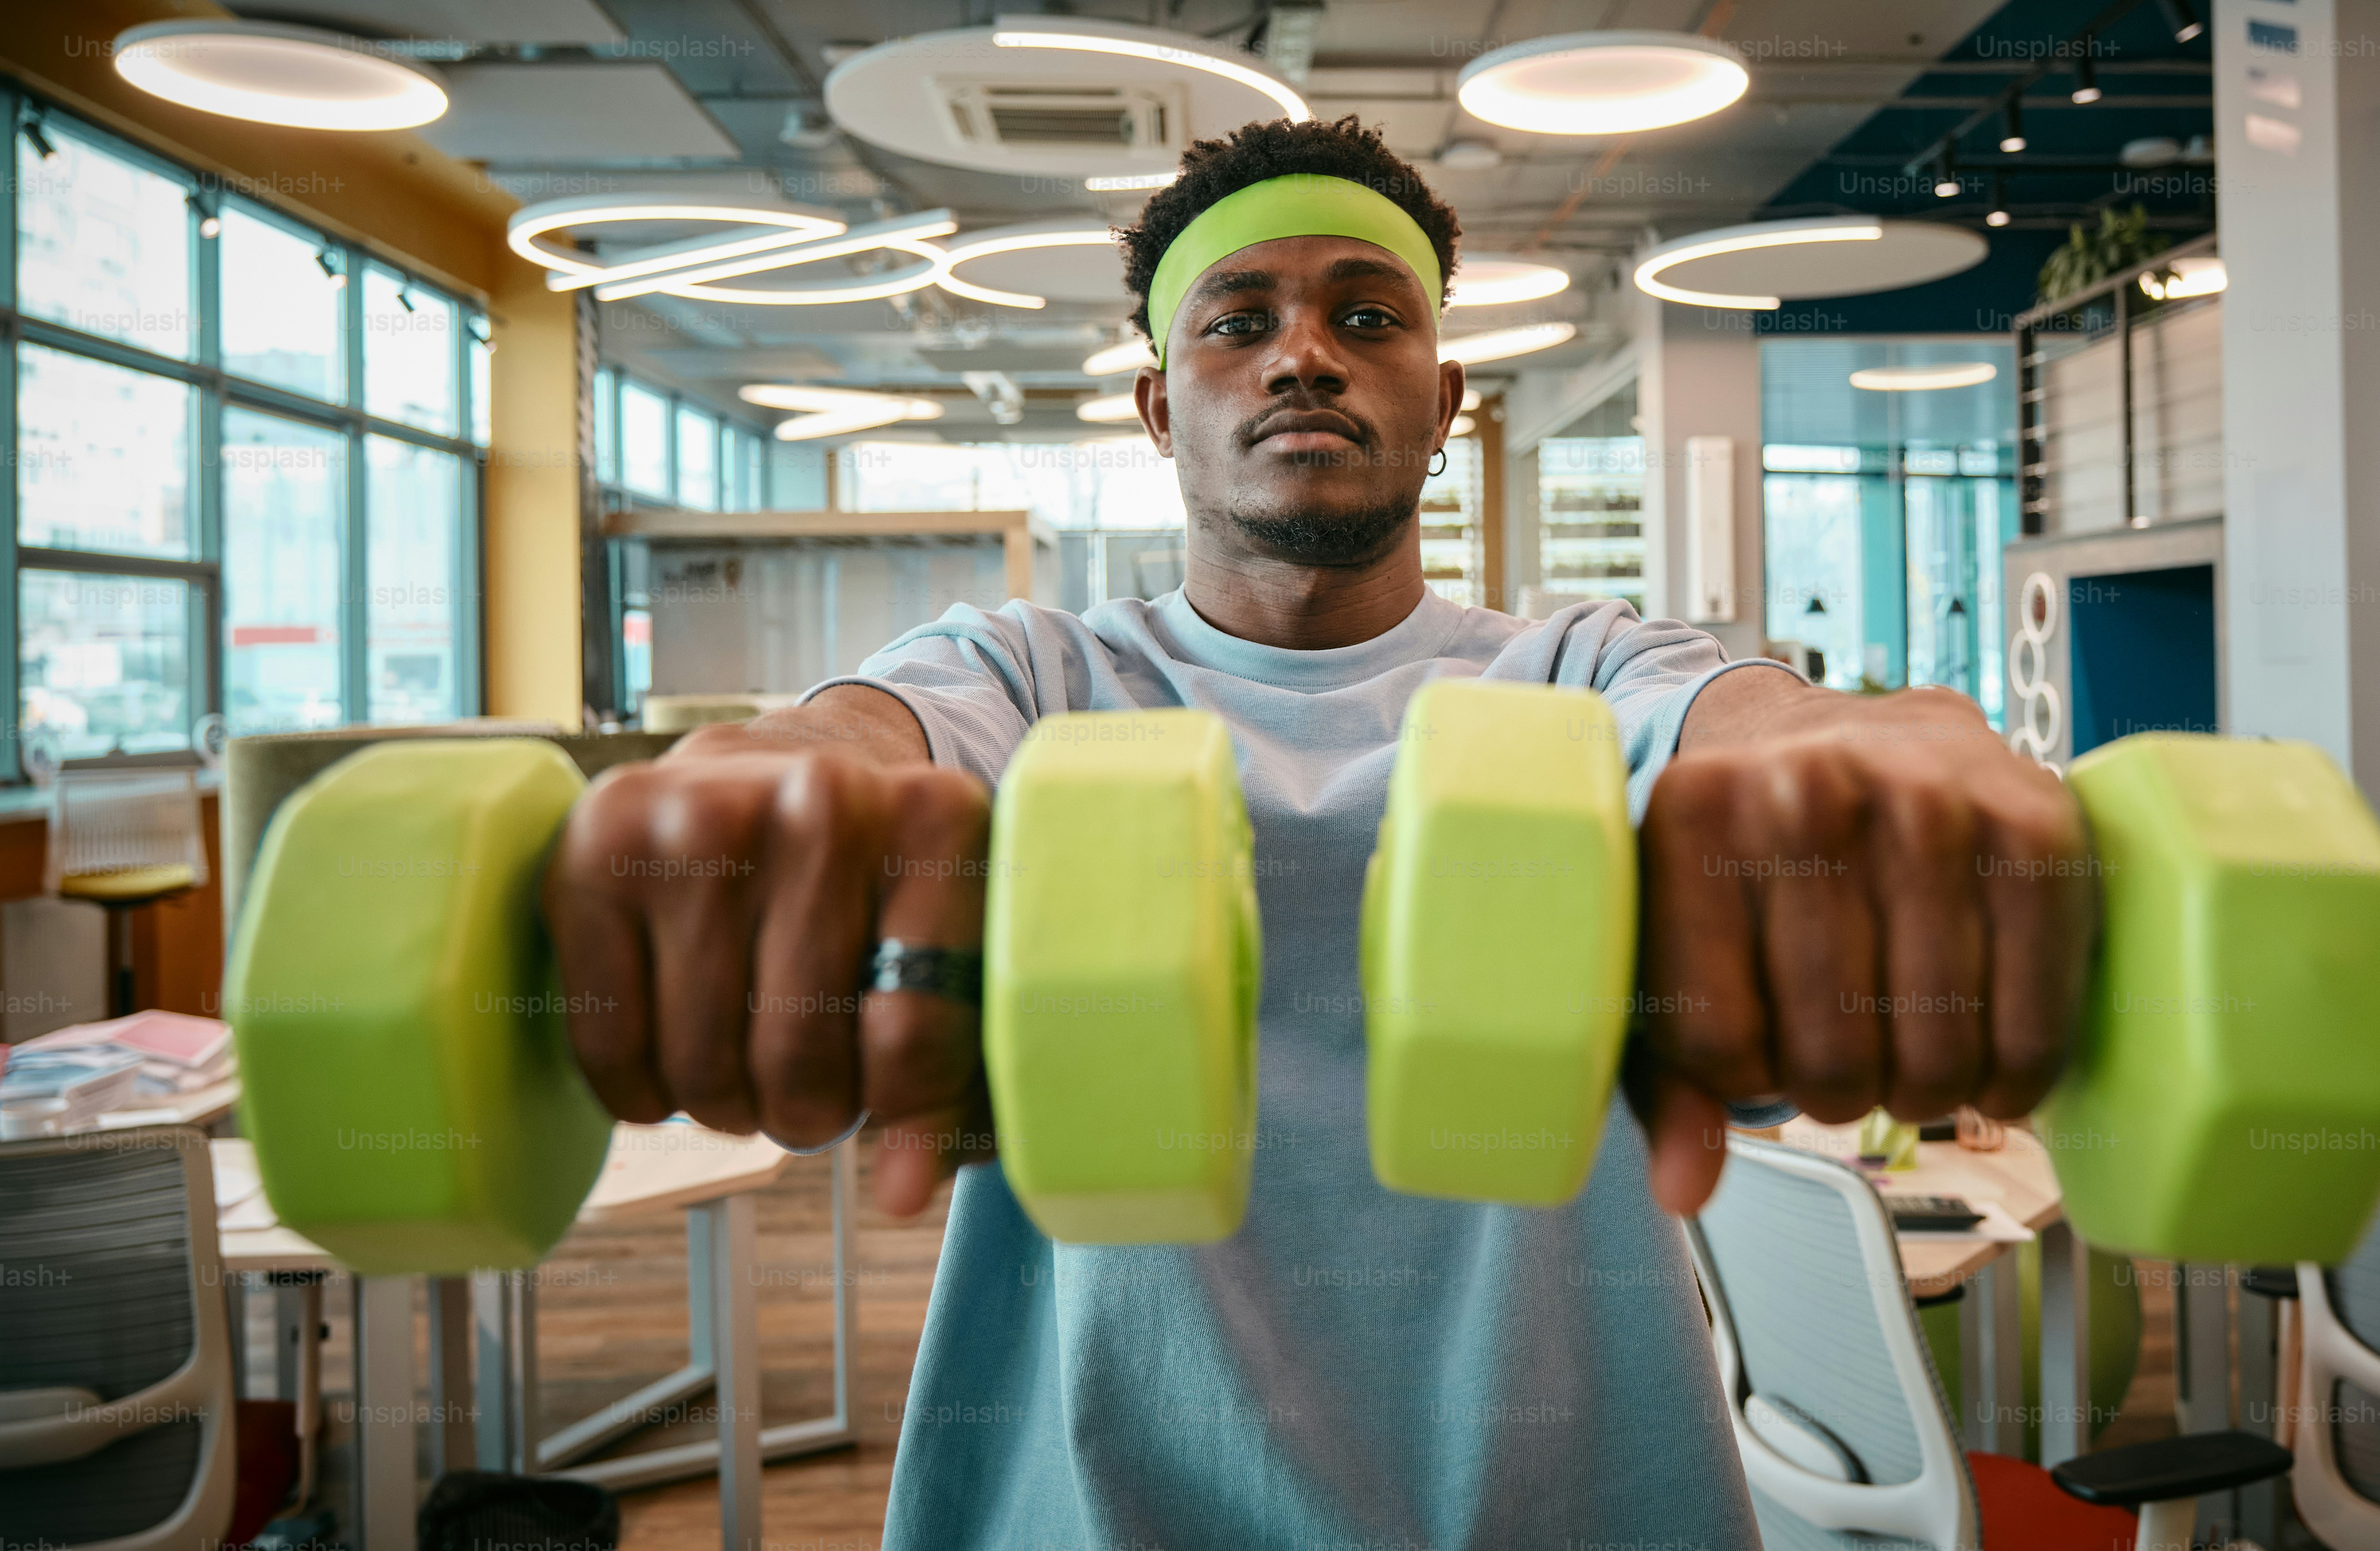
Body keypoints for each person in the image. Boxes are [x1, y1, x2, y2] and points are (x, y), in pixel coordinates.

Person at [543, 115, 2092, 1548]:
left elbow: (1738, 718)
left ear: (1443, 399)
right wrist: (775, 779)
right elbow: (864, 738)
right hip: (1092, 1502)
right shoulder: (1038, 679)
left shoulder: (1582, 669)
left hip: (1561, 1501)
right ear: (1162, 405)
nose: (1302, 357)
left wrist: (1836, 745)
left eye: (1367, 317)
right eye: (1237, 322)